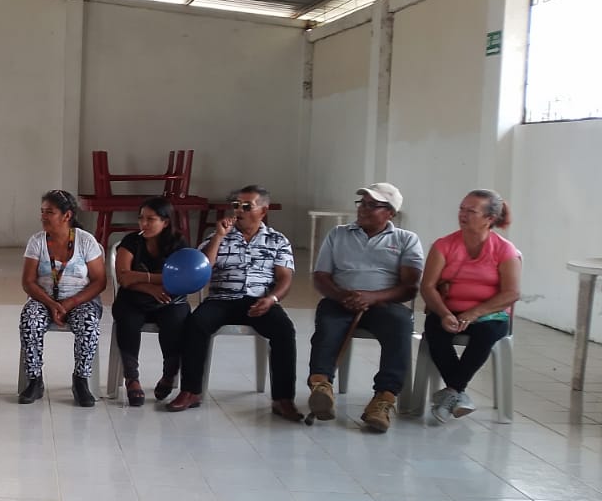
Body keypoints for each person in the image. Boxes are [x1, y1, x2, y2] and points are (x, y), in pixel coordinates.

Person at [167, 185, 299, 420]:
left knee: (284, 330)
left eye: (247, 206)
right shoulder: (217, 236)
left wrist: (271, 299)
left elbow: (285, 278)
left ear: (263, 211)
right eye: (236, 205)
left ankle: (283, 399)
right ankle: (190, 391)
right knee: (196, 324)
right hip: (222, 298)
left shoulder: (277, 240)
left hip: (259, 300)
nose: (239, 211)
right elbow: (202, 269)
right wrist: (219, 237)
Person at [308, 182, 424, 434]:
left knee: (400, 326)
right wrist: (342, 296)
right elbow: (320, 277)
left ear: (390, 213)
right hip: (341, 300)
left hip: (385, 304)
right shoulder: (338, 234)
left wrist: (372, 297)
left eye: (373, 205)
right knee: (327, 326)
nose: (363, 209)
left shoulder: (406, 239)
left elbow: (409, 287)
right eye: (362, 203)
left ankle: (383, 399)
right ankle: (321, 386)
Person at [419, 189, 520, 424]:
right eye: (461, 209)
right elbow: (428, 286)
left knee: (486, 334)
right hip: (448, 310)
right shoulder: (444, 245)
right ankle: (457, 394)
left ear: (489, 218)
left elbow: (512, 293)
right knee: (435, 330)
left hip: (488, 314)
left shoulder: (504, 249)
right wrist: (444, 313)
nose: (462, 215)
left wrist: (474, 313)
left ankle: (452, 391)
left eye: (471, 211)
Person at [18, 190, 106, 407]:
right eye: (42, 211)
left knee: (88, 324)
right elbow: (28, 282)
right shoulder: (37, 242)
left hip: (80, 300)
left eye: (49, 212)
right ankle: (34, 379)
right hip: (44, 300)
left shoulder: (86, 241)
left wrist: (70, 303)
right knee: (30, 319)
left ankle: (81, 380)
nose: (43, 216)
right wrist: (52, 304)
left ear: (67, 216)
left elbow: (99, 282)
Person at [112, 196, 191, 406]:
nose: (143, 224)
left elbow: (182, 277)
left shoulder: (178, 244)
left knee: (176, 321)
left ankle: (169, 375)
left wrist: (141, 276)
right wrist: (152, 285)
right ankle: (132, 378)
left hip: (169, 299)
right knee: (127, 321)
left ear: (165, 222)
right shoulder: (131, 241)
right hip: (134, 298)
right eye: (141, 218)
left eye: (151, 219)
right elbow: (123, 277)